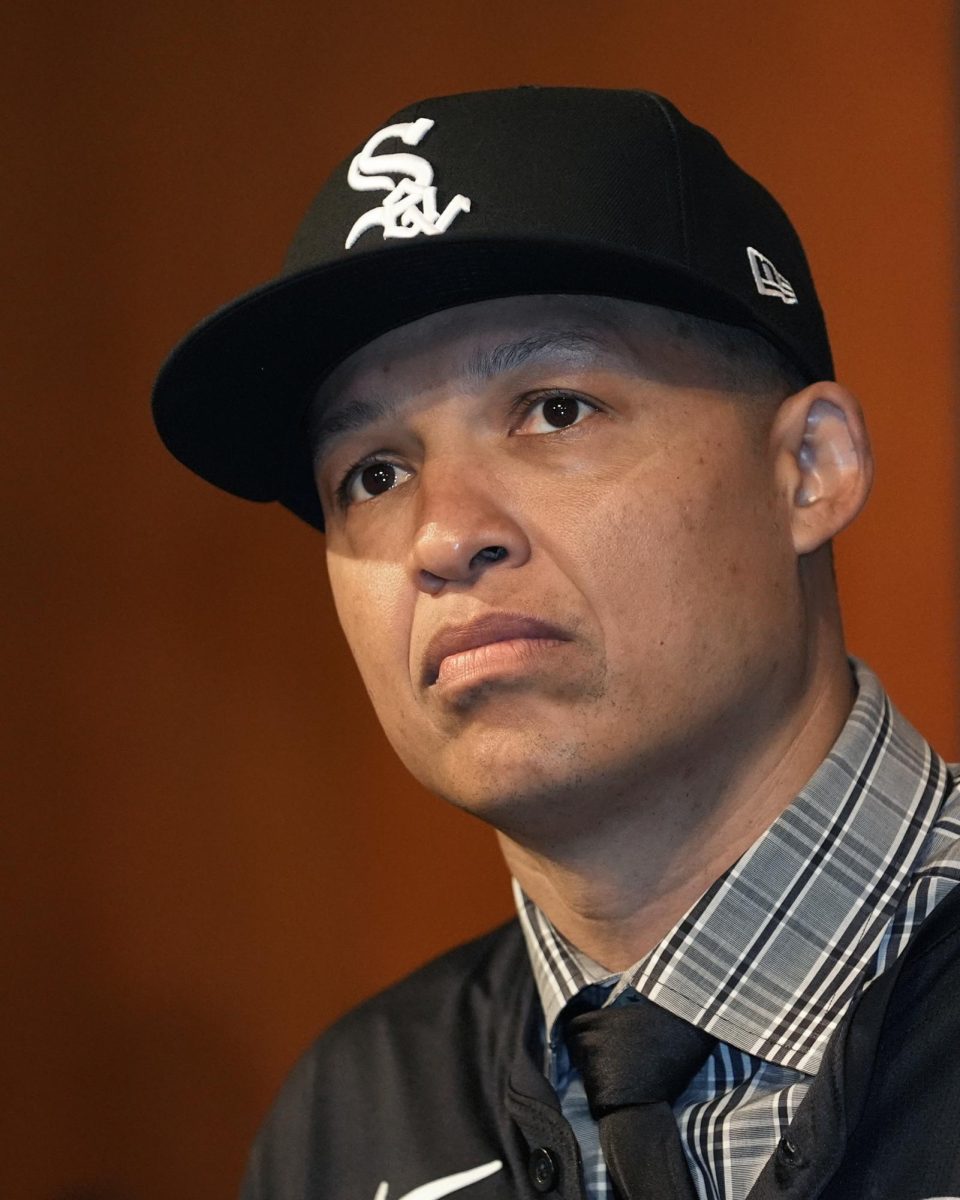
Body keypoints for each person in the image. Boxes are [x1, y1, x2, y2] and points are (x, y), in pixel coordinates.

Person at [152, 88, 960, 1200]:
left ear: (807, 468)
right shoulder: (352, 1120)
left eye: (556, 409)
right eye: (372, 475)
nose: (442, 535)